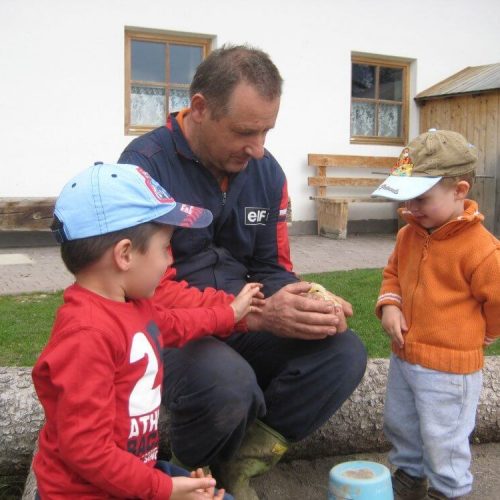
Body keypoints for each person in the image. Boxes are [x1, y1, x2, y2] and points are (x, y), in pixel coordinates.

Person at [119, 44, 367, 498]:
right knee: (228, 382)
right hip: (172, 331)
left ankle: (238, 464)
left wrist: (305, 297)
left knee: (343, 350)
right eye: (245, 132)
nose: (258, 149)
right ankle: (193, 475)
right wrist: (247, 315)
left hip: (247, 315)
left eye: (267, 132)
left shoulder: (267, 173)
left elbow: (271, 265)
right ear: (200, 109)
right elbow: (145, 290)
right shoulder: (144, 167)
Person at [32, 162, 265, 499]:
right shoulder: (85, 335)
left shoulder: (131, 305)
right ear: (125, 254)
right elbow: (87, 451)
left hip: (134, 475)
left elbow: (176, 324)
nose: (170, 261)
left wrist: (230, 314)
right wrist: (164, 489)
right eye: (164, 248)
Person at [372, 129, 500, 500]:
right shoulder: (408, 235)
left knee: (444, 438)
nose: (411, 209)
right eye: (406, 200)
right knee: (402, 424)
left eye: (421, 199)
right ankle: (411, 475)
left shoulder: (483, 250)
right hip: (406, 357)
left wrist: (486, 334)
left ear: (460, 191)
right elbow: (392, 274)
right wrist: (391, 304)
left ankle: (449, 490)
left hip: (451, 369)